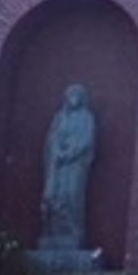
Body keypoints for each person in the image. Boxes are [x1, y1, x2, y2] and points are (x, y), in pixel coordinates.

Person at [41, 83, 98, 245]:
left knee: (72, 196)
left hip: (75, 165)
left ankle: (74, 233)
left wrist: (70, 153)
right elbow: (52, 138)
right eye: (71, 95)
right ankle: (53, 233)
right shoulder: (59, 117)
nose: (74, 98)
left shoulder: (87, 117)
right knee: (53, 196)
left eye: (77, 95)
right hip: (57, 164)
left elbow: (87, 140)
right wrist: (57, 151)